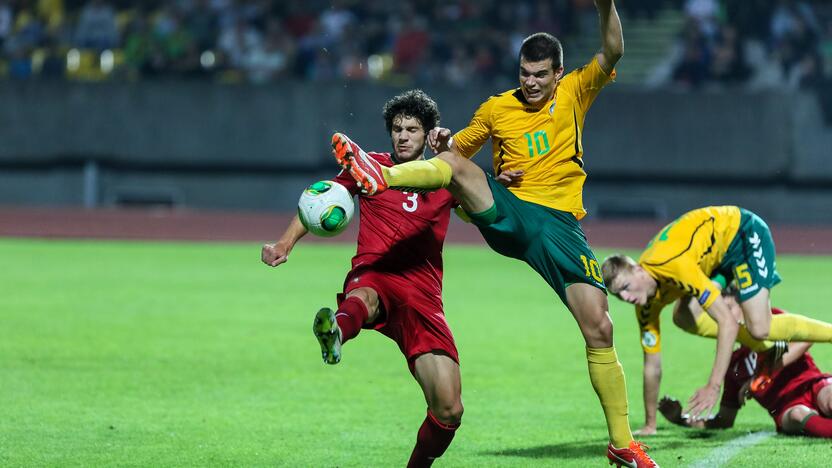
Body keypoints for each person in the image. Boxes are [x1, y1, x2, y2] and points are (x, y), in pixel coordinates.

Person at [330, 1, 658, 466]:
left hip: (562, 228)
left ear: (559, 73)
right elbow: (450, 160)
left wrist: (605, 4)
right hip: (512, 212)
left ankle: (622, 445)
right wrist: (443, 144)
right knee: (456, 166)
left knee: (600, 328)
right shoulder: (496, 109)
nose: (531, 81)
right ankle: (377, 174)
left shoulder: (578, 90)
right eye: (525, 72)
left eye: (541, 74)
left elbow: (614, 49)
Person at [263, 90, 462, 467]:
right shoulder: (368, 168)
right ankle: (336, 333)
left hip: (423, 297)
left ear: (428, 134)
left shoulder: (446, 176)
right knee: (365, 297)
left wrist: (493, 174)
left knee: (449, 410)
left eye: (413, 130)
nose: (403, 136)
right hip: (377, 273)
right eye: (397, 129)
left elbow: (482, 202)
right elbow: (318, 200)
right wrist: (285, 243)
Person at [602, 205, 832, 428]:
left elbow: (728, 323)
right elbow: (652, 365)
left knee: (760, 328)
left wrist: (713, 385)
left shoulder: (673, 266)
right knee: (683, 317)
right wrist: (650, 424)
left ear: (640, 270)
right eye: (618, 295)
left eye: (626, 287)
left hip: (741, 233)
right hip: (713, 258)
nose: (625, 297)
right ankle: (763, 349)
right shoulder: (645, 305)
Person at [658, 288, 832, 438]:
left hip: (812, 385)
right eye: (717, 313)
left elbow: (806, 338)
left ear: (742, 305)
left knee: (829, 399)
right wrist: (680, 419)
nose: (723, 317)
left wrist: (763, 375)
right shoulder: (733, 364)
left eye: (728, 308)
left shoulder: (771, 321)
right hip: (787, 408)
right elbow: (724, 420)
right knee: (797, 415)